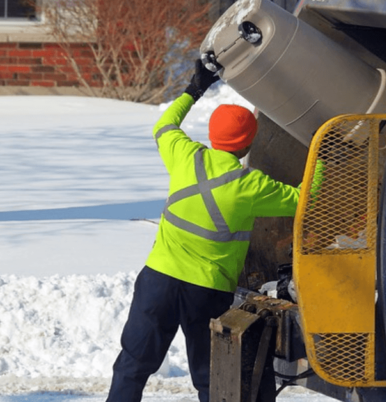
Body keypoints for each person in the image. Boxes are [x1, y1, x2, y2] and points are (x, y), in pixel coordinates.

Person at [106, 59, 301, 402]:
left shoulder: (185, 156)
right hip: (206, 291)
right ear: (247, 144)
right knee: (212, 378)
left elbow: (164, 125)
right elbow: (304, 199)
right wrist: (328, 154)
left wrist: (194, 89)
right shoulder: (249, 185)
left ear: (213, 136)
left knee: (132, 365)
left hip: (158, 280)